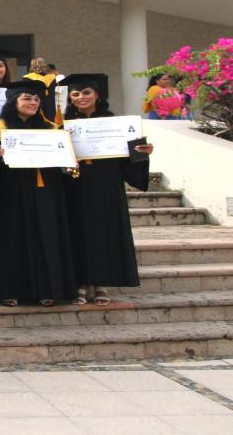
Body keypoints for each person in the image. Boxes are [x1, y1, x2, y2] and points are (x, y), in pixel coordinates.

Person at [61, 74, 153, 306]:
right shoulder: (63, 124)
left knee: (104, 233)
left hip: (106, 185)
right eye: (75, 94)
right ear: (70, 98)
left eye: (86, 92)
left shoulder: (115, 123)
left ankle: (100, 283)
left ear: (97, 95)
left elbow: (131, 158)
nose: (81, 97)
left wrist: (143, 151)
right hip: (75, 186)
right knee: (77, 233)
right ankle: (81, 283)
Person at [0, 80, 77, 307]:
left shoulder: (51, 129)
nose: (33, 103)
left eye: (36, 99)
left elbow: (64, 166)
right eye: (27, 98)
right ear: (13, 101)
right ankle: (10, 290)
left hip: (46, 191)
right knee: (12, 240)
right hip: (10, 194)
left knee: (46, 238)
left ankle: (47, 290)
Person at [23, 57, 62, 124]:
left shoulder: (27, 78)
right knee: (50, 122)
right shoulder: (52, 77)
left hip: (35, 103)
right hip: (50, 104)